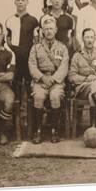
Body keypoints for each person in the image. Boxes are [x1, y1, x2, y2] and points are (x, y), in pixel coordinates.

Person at [28, 16, 70, 144]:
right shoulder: (36, 48)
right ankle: (38, 131)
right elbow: (32, 65)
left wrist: (54, 79)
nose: (49, 31)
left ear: (56, 30)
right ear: (42, 31)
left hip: (56, 81)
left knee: (55, 96)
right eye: (46, 29)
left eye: (51, 29)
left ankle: (54, 130)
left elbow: (64, 66)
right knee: (39, 97)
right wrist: (42, 78)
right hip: (40, 81)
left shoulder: (62, 47)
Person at [68, 28, 96, 123]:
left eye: (91, 37)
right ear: (83, 39)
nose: (89, 40)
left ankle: (93, 128)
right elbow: (72, 76)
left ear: (95, 39)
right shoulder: (77, 55)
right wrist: (86, 79)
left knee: (92, 92)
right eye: (87, 37)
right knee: (93, 86)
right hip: (82, 88)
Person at [5, 0, 39, 100]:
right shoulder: (10, 20)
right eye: (18, 0)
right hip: (16, 57)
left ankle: (30, 112)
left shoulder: (33, 20)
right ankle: (16, 112)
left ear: (27, 2)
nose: (20, 2)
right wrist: (14, 51)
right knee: (16, 83)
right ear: (15, 2)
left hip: (29, 56)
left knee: (29, 83)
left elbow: (36, 40)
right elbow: (8, 39)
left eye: (23, 0)